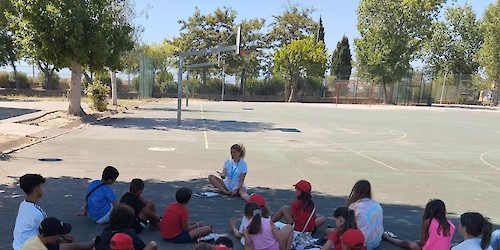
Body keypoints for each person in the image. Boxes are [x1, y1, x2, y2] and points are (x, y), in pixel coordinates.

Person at [382, 199, 455, 250]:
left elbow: (422, 242)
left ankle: (388, 237)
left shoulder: (428, 222)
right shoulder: (451, 225)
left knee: (407, 243)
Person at [345, 180, 383, 250]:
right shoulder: (377, 204)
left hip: (361, 243)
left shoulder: (354, 206)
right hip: (376, 242)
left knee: (330, 231)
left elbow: (347, 226)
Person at [22, 217, 95, 250]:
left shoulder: (32, 240)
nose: (60, 236)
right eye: (59, 235)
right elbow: (78, 246)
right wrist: (93, 241)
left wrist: (61, 238)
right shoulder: (46, 248)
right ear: (51, 238)